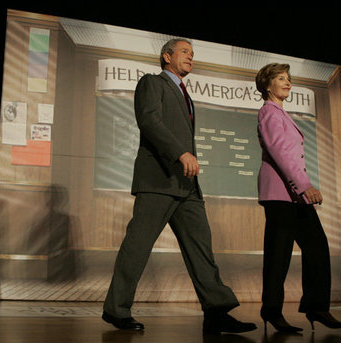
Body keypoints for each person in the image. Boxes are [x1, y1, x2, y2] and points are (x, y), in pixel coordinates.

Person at [101, 38, 257, 334]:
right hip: (158, 179)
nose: (191, 57)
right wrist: (180, 153)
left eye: (193, 53)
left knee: (202, 250)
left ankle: (216, 312)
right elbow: (149, 121)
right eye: (185, 52)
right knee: (137, 246)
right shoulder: (152, 83)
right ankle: (116, 310)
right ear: (166, 56)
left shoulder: (186, 95)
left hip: (187, 186)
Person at [255, 63, 341, 332]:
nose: (287, 82)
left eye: (288, 78)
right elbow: (281, 153)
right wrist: (304, 186)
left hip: (293, 196)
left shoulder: (281, 114)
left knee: (318, 247)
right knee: (279, 254)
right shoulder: (269, 112)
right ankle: (272, 311)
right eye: (280, 78)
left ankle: (316, 307)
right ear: (267, 85)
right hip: (281, 194)